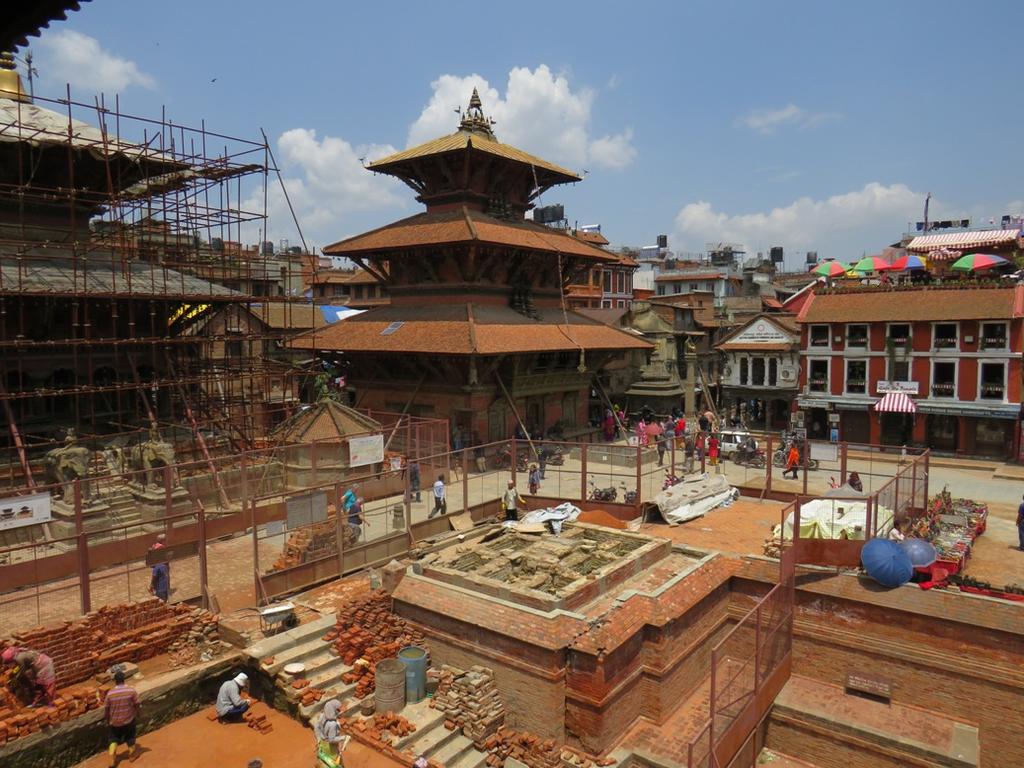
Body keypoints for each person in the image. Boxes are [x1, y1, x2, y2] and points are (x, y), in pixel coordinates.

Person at [105, 669, 140, 766]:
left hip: (115, 722)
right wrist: (139, 713)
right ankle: (132, 755)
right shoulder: (131, 691)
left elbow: (107, 709)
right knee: (130, 736)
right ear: (124, 679)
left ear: (115, 681)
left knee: (113, 738)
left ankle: (112, 755)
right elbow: (137, 704)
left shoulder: (110, 693)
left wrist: (108, 720)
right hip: (128, 720)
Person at [314, 698, 349, 768]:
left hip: (322, 743)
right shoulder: (332, 724)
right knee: (336, 764)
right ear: (333, 710)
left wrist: (318, 740)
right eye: (338, 710)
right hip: (331, 748)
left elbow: (316, 727)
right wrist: (344, 737)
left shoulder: (322, 716)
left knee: (324, 760)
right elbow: (331, 739)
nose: (339, 711)